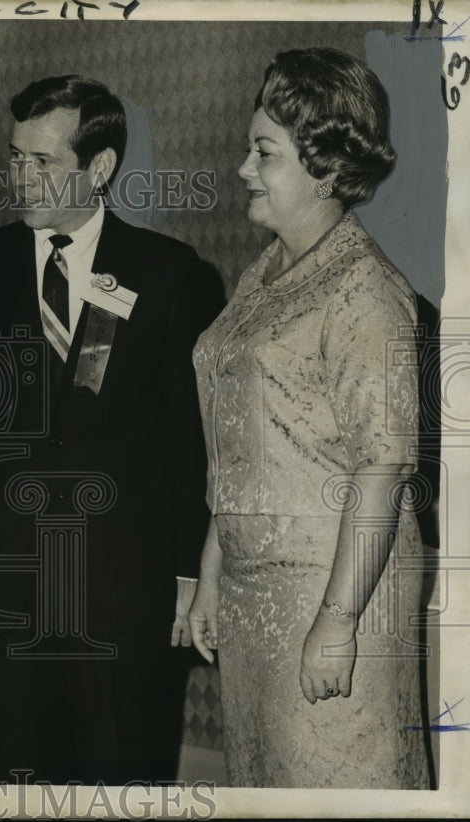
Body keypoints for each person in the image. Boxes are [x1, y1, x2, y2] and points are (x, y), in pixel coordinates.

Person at [0, 75, 224, 784]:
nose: (21, 178)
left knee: (124, 782)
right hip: (9, 592)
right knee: (23, 784)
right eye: (14, 158)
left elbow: (193, 438)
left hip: (127, 596)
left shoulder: (171, 274)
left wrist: (188, 572)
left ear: (99, 169)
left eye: (43, 163)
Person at [188, 47, 430, 789]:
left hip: (336, 590)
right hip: (255, 589)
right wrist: (211, 568)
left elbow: (383, 469)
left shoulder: (368, 295)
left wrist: (338, 622)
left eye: (265, 152)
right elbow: (240, 437)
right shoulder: (262, 274)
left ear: (325, 168)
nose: (243, 169)